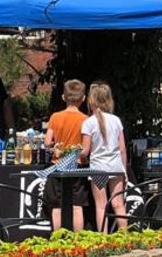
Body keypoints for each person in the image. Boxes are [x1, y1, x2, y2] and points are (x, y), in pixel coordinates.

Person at [79, 82, 128, 232]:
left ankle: (103, 237)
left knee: (101, 205)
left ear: (91, 101)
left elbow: (85, 151)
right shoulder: (116, 120)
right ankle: (126, 236)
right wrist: (124, 170)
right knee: (118, 204)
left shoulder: (88, 123)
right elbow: (122, 149)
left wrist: (75, 155)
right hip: (116, 166)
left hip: (98, 168)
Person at [41, 80, 88, 231]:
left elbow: (47, 142)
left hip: (58, 165)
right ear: (83, 98)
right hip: (77, 165)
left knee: (56, 205)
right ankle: (78, 239)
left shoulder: (55, 117)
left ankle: (57, 239)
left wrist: (55, 146)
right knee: (77, 205)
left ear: (63, 97)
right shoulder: (85, 119)